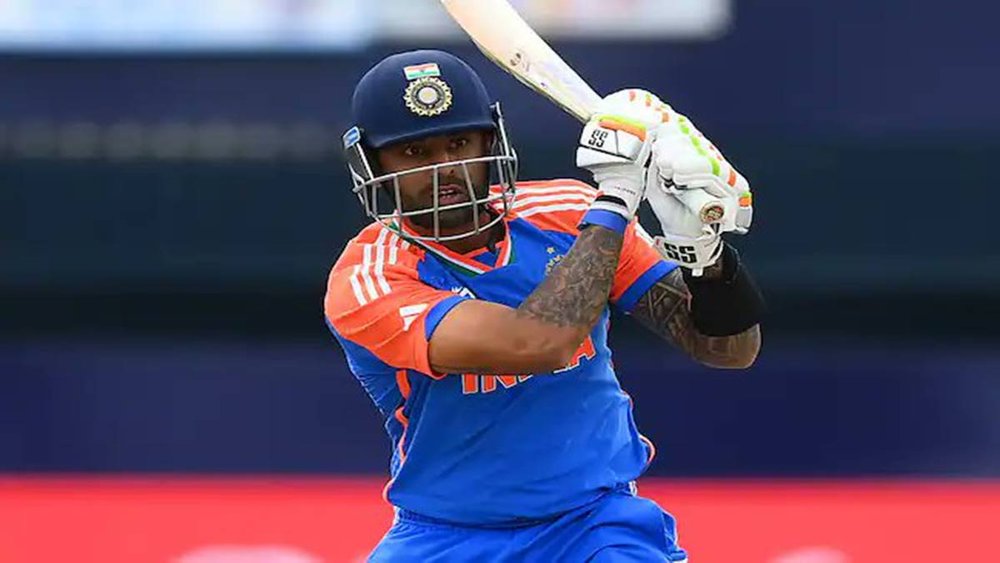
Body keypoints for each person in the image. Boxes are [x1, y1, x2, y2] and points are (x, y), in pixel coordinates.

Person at [325, 49, 763, 562]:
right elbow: (537, 343)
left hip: (593, 526)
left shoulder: (570, 214)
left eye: (459, 144)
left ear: (491, 142)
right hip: (446, 536)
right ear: (373, 164)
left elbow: (728, 350)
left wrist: (704, 254)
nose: (445, 169)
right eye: (415, 152)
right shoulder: (369, 278)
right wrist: (618, 197)